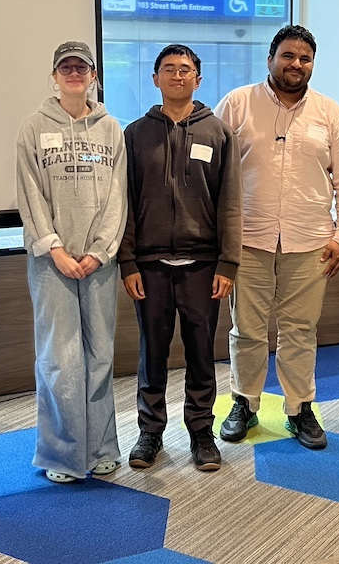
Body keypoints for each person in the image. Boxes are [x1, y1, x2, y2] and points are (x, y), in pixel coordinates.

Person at [213, 24, 339, 450]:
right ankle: (245, 402)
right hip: (248, 241)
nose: (296, 64)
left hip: (311, 241)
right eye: (288, 56)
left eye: (305, 58)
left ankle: (300, 408)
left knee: (301, 330)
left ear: (312, 64)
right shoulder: (237, 104)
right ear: (270, 58)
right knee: (247, 329)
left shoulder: (329, 112)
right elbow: (214, 175)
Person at [119, 44, 242, 472]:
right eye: (168, 69)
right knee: (152, 352)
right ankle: (150, 432)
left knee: (200, 352)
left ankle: (201, 433)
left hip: (204, 266)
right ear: (155, 79)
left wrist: (228, 264)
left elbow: (230, 204)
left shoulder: (219, 133)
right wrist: (128, 262)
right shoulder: (134, 135)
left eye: (185, 69)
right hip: (149, 268)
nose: (177, 76)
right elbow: (126, 204)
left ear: (198, 79)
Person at [16, 41, 127, 483]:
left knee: (100, 355)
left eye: (82, 67)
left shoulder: (111, 128)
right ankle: (62, 455)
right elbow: (30, 194)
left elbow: (119, 194)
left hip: (100, 262)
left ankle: (100, 447)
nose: (75, 73)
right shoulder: (33, 128)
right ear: (54, 74)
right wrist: (55, 249)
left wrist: (101, 250)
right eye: (66, 67)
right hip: (51, 263)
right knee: (59, 360)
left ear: (94, 75)